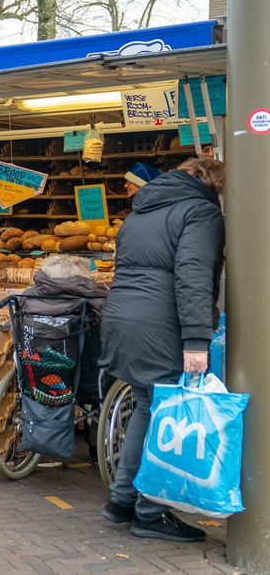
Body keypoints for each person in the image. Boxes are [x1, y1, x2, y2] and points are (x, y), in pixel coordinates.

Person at [100, 156, 225, 542]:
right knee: (167, 414)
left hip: (122, 317)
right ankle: (150, 513)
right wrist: (196, 339)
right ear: (213, 185)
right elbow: (193, 276)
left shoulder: (140, 211)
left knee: (148, 407)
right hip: (160, 325)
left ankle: (122, 501)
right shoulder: (201, 212)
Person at [18, 255, 109, 408]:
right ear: (80, 278)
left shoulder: (28, 297)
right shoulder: (95, 300)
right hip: (83, 380)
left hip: (35, 373)